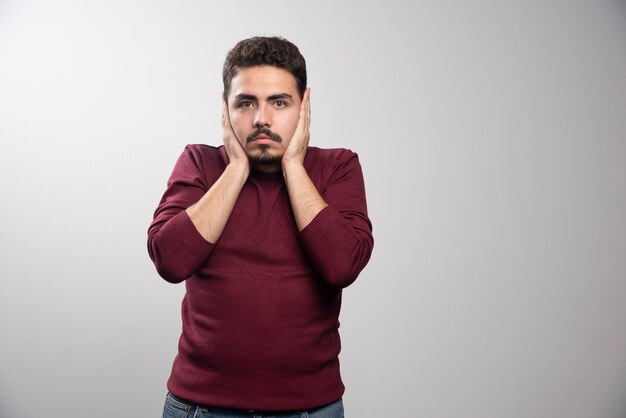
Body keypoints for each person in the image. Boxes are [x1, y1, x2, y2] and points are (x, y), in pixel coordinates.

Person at [147, 36, 373, 418]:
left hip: (309, 408)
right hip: (200, 407)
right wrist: (236, 168)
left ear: (304, 107)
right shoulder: (199, 164)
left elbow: (343, 265)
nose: (261, 119)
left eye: (279, 103)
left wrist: (294, 167)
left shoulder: (337, 167)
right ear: (225, 107)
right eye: (245, 103)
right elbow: (170, 260)